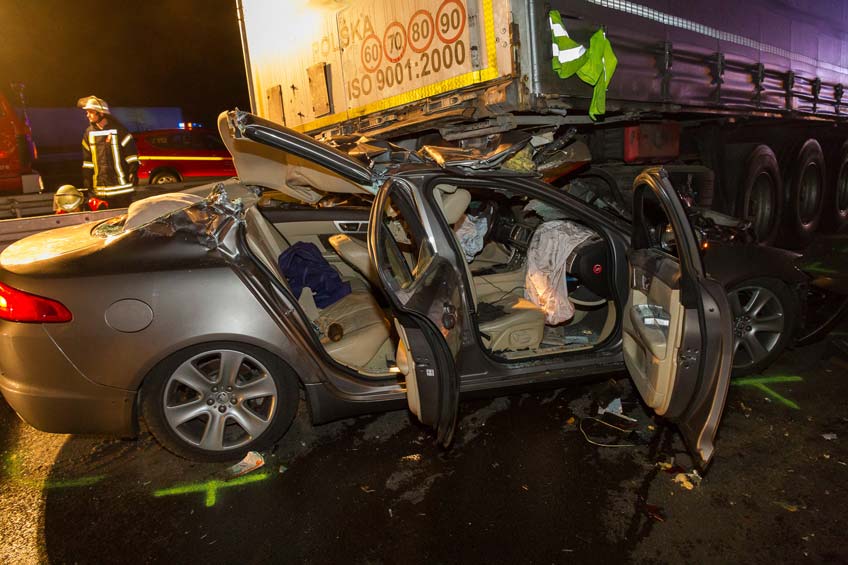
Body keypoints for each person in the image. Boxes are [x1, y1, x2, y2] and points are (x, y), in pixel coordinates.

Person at [77, 95, 138, 208]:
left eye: (90, 112)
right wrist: (87, 177)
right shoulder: (88, 134)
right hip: (101, 191)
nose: (87, 115)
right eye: (87, 112)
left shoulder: (119, 131)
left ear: (101, 113)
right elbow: (87, 160)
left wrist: (133, 171)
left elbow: (131, 154)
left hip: (121, 189)